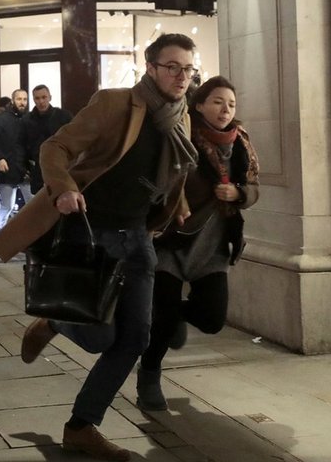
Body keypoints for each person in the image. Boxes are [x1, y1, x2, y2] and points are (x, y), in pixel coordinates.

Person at [0, 32, 198, 461]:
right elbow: (55, 147)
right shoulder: (115, 103)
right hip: (96, 234)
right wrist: (64, 187)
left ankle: (81, 427)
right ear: (152, 67)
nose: (181, 76)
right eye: (173, 67)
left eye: (188, 69)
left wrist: (177, 204)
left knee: (134, 339)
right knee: (101, 337)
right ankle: (55, 324)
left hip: (139, 238)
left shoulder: (181, 117)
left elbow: (171, 170)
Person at [136, 76, 259, 412]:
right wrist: (174, 202)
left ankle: (174, 315)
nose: (225, 110)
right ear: (200, 105)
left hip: (213, 244)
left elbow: (253, 187)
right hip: (172, 240)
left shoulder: (240, 143)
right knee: (162, 320)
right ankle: (148, 377)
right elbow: (158, 180)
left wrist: (240, 193)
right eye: (218, 102)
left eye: (231, 104)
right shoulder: (181, 136)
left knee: (211, 318)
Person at [0, 93, 30, 234]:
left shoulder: (29, 119)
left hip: (26, 168)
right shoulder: (2, 119)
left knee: (31, 205)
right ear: (13, 100)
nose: (22, 102)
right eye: (19, 99)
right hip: (8, 167)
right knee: (6, 206)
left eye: (24, 99)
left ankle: (31, 239)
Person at [23, 85, 73, 194]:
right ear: (34, 100)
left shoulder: (63, 116)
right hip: (37, 168)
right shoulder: (26, 120)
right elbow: (22, 143)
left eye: (44, 97)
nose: (41, 101)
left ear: (50, 97)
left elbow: (73, 139)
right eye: (37, 98)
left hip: (61, 165)